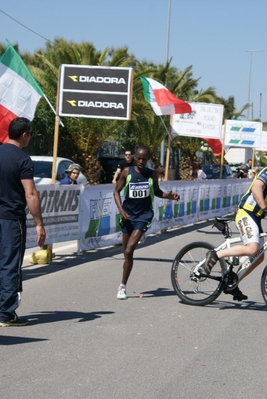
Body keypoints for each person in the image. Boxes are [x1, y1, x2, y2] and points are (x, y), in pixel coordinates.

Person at [113, 145, 180, 300]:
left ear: (148, 159)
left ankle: (122, 286)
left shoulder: (152, 174)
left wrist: (168, 196)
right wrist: (121, 210)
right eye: (138, 158)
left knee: (129, 250)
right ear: (135, 157)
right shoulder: (126, 172)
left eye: (144, 158)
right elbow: (116, 191)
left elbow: (156, 191)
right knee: (126, 255)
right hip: (127, 216)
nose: (141, 161)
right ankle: (124, 281)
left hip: (144, 216)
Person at [0, 117, 46, 326]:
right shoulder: (22, 159)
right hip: (11, 218)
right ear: (25, 134)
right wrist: (39, 224)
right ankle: (6, 314)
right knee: (10, 264)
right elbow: (31, 194)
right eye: (31, 134)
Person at [200, 166, 267, 301]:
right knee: (253, 248)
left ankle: (232, 284)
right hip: (247, 211)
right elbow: (256, 189)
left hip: (257, 216)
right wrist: (265, 208)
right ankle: (215, 254)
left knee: (259, 256)